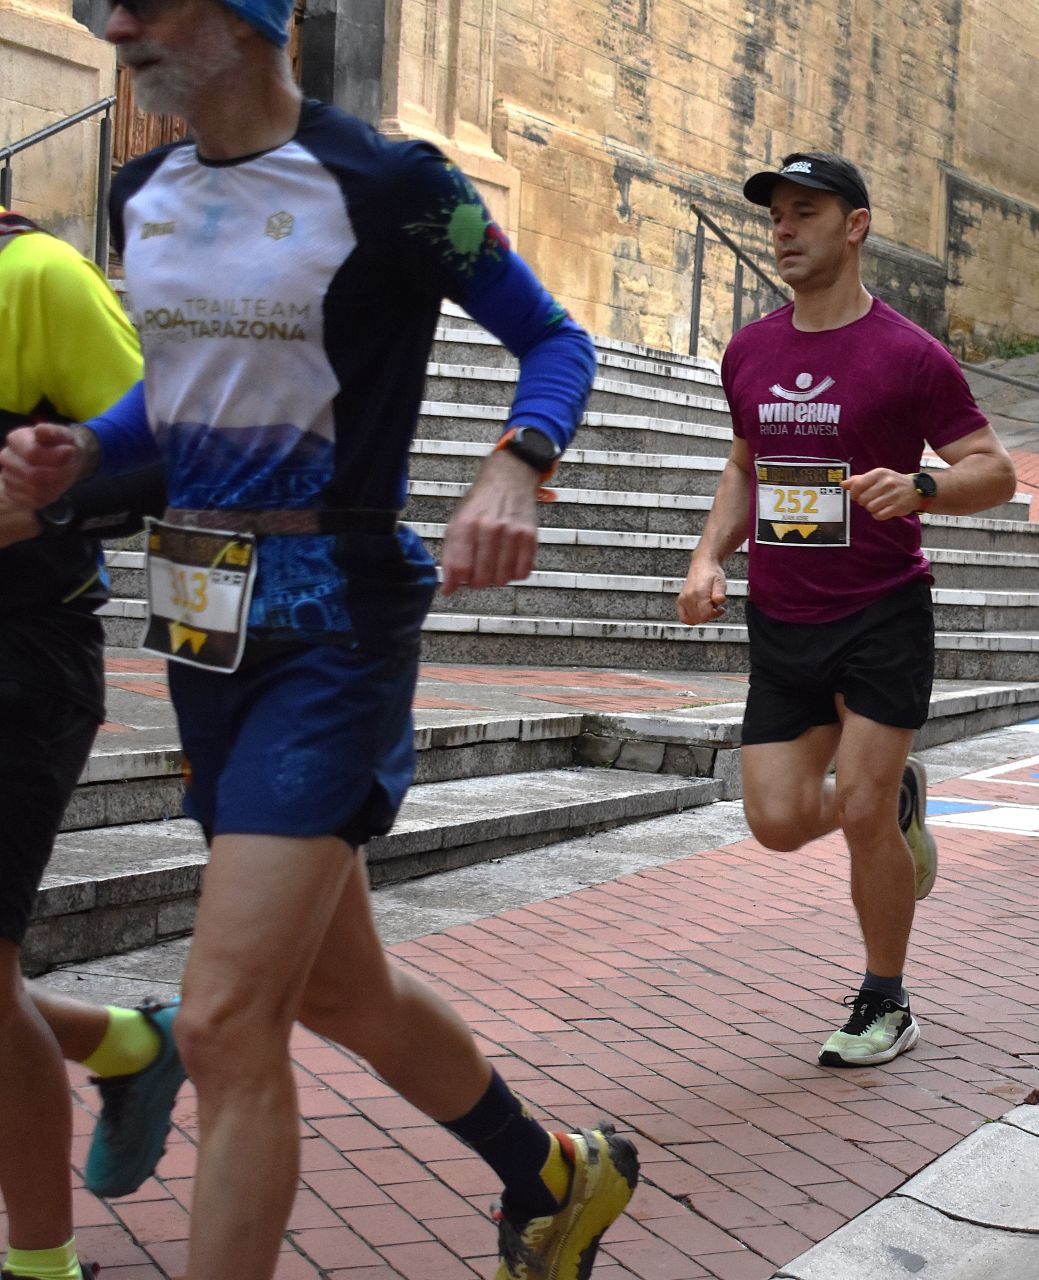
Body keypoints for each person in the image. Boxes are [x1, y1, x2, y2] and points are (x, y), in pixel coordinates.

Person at [0, 0, 637, 1275]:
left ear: (243, 16)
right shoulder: (145, 191)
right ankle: (560, 1172)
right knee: (343, 991)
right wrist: (79, 456)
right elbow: (169, 408)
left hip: (337, 624)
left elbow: (553, 338)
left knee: (233, 1021)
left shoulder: (394, 182)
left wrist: (518, 462)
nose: (112, 19)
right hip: (200, 628)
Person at [676, 152, 1015, 1069]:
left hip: (881, 610)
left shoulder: (910, 355)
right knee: (778, 822)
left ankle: (885, 999)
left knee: (858, 808)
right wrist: (711, 554)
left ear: (855, 225)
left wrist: (923, 487)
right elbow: (745, 467)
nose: (784, 230)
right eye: (776, 216)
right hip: (782, 619)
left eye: (805, 212)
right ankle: (901, 799)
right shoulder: (749, 349)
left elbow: (995, 469)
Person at [0, 207, 188, 1280]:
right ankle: (128, 1042)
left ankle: (39, 1261)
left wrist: (29, 513)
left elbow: (165, 454)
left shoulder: (38, 279)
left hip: (22, 658)